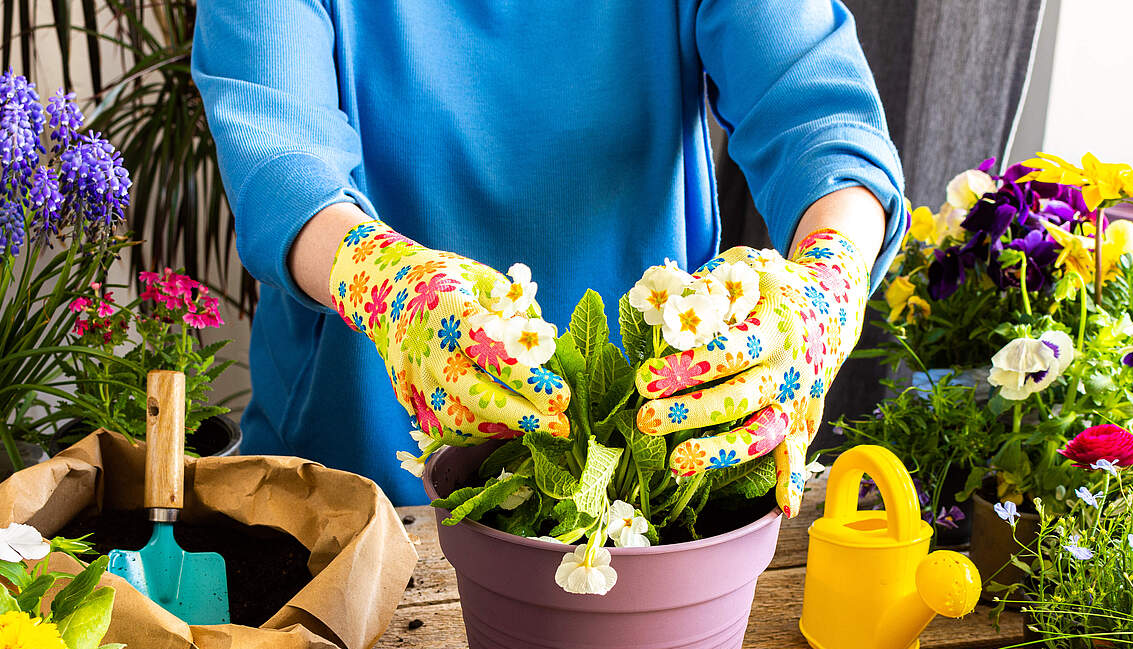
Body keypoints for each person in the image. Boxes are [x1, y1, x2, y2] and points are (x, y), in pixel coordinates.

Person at [191, 0, 905, 515]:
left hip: (640, 474)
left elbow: (819, 114)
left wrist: (829, 282)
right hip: (348, 480)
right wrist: (387, 284)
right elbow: (279, 152)